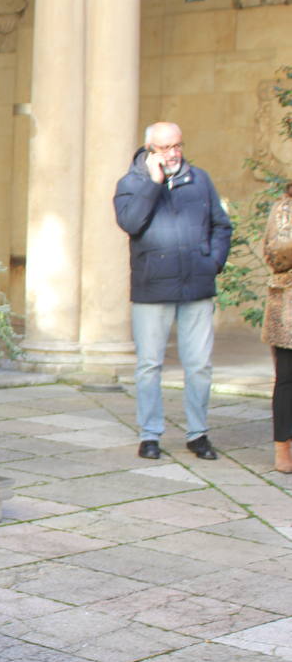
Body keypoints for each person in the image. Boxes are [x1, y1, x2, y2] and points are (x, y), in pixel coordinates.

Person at [114, 121, 231, 461]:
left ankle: (198, 434)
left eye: (177, 146)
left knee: (199, 365)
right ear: (150, 151)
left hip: (197, 285)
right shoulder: (131, 183)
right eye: (165, 148)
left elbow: (221, 226)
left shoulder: (200, 179)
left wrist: (213, 262)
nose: (174, 153)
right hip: (152, 289)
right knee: (149, 366)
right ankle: (150, 435)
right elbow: (131, 223)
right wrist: (154, 183)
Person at [262, 183, 292, 474]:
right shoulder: (284, 207)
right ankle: (284, 447)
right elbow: (274, 254)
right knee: (287, 377)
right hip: (288, 308)